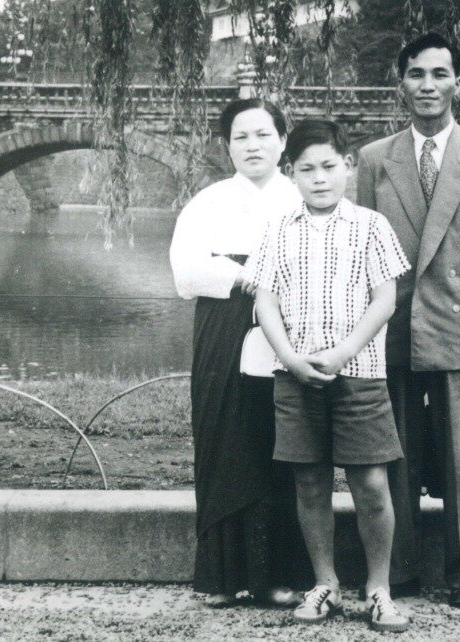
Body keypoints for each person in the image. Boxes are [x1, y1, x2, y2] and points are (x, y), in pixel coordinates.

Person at [356, 32, 460, 608]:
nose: (428, 86)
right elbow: (366, 248)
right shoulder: (374, 160)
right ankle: (396, 569)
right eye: (417, 75)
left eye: (440, 74)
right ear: (399, 82)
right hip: (392, 322)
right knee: (391, 448)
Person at [243, 119, 413, 633]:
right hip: (294, 376)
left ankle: (379, 589)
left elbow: (386, 299)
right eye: (307, 170)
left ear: (349, 167)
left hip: (359, 374)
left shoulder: (370, 226)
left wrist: (343, 351)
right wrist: (290, 358)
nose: (320, 179)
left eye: (329, 167)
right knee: (310, 482)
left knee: (370, 482)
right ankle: (326, 584)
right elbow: (264, 300)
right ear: (290, 172)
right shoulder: (277, 228)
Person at [169, 98, 309, 607]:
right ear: (226, 146)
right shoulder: (208, 202)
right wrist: (243, 275)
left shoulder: (302, 198)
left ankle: (279, 576)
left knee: (282, 446)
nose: (253, 146)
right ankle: (222, 578)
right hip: (224, 328)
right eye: (241, 137)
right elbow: (186, 274)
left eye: (264, 134)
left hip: (291, 328)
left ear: (282, 141)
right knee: (224, 438)